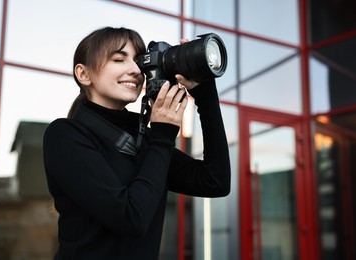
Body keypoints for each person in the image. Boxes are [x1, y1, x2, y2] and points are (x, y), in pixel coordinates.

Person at [43, 26, 230, 260]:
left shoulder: (143, 135)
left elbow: (215, 181)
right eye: (119, 59)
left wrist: (206, 95)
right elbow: (130, 218)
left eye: (138, 60)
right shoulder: (64, 135)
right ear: (84, 74)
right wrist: (162, 135)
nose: (134, 70)